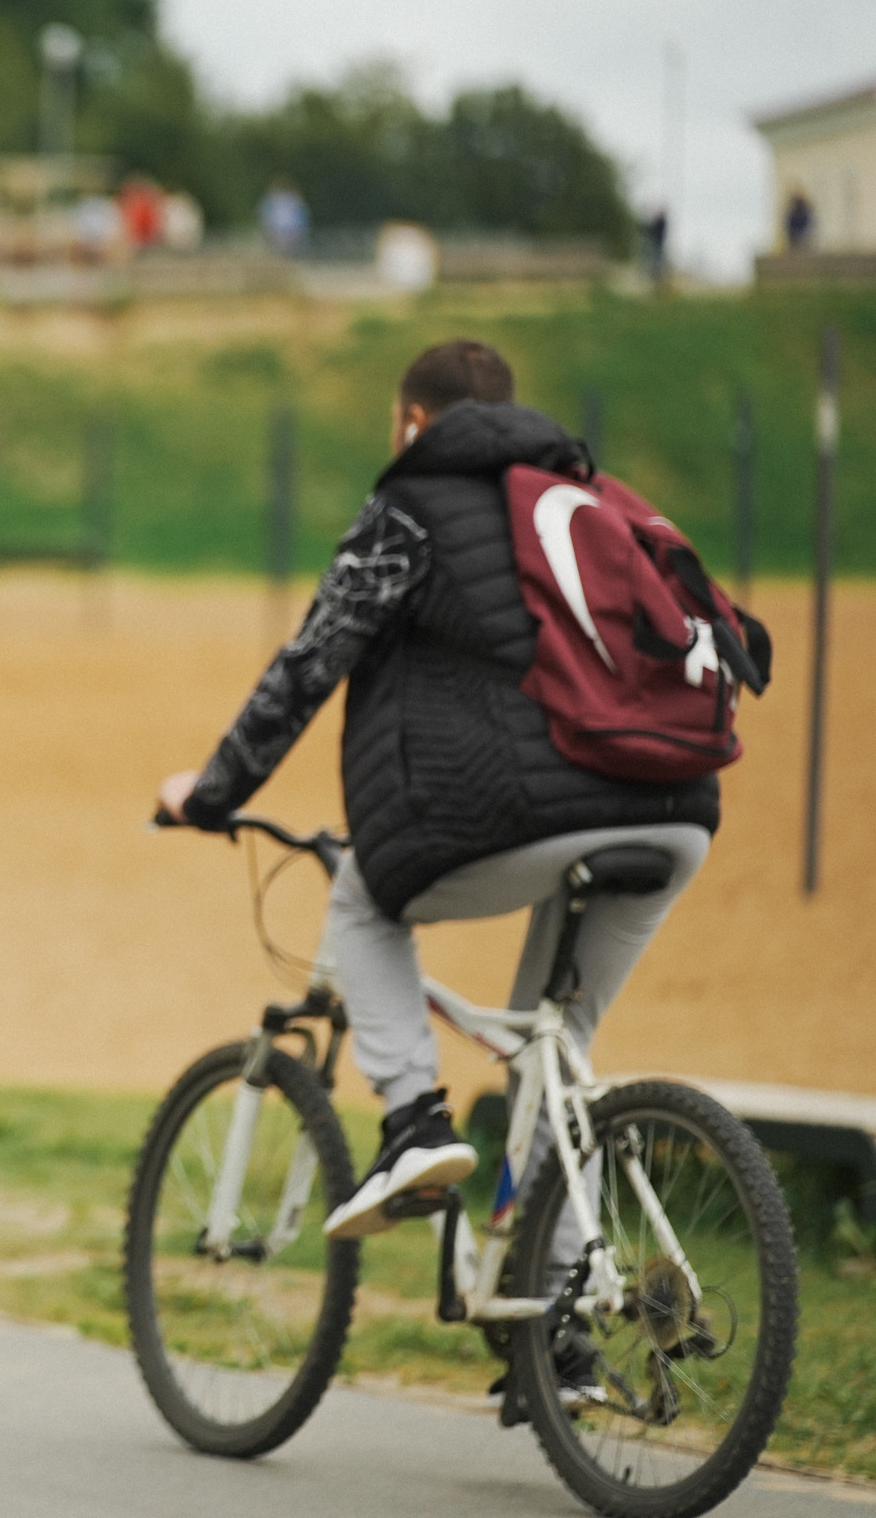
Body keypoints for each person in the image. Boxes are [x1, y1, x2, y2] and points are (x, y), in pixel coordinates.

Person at [155, 340, 719, 1258]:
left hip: (544, 808)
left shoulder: (413, 505)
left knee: (365, 899)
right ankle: (560, 1325)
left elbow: (309, 665)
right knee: (556, 1053)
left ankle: (414, 1123)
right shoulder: (590, 504)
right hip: (679, 810)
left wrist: (211, 793)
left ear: (414, 421)